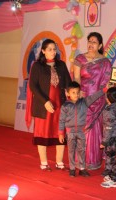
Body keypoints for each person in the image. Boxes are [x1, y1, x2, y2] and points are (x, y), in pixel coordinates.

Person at [26, 39, 71, 171]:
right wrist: (45, 101)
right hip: (43, 105)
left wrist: (74, 92)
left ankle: (59, 161)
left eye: (54, 49)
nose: (52, 51)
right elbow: (33, 86)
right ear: (43, 51)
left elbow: (68, 83)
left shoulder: (61, 65)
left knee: (60, 133)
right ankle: (44, 162)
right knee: (42, 133)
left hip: (60, 105)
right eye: (49, 49)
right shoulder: (37, 66)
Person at [73, 32, 112, 170]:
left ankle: (93, 161)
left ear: (100, 45)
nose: (91, 44)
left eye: (94, 42)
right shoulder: (80, 58)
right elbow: (76, 78)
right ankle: (80, 161)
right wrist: (77, 91)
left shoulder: (105, 62)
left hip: (99, 100)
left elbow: (106, 82)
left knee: (95, 131)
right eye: (89, 41)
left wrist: (102, 95)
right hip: (83, 99)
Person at [58, 81, 106, 177]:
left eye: (77, 92)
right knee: (71, 150)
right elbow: (61, 120)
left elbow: (94, 96)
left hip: (81, 131)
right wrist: (60, 133)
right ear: (68, 93)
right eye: (73, 92)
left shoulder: (84, 102)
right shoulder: (65, 106)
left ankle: (82, 168)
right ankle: (72, 168)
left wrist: (104, 90)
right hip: (70, 132)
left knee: (82, 150)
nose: (76, 95)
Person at [100, 87, 116, 188]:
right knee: (115, 158)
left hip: (111, 138)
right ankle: (112, 175)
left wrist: (104, 141)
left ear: (108, 97)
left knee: (113, 158)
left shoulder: (109, 110)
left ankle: (114, 179)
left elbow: (108, 127)